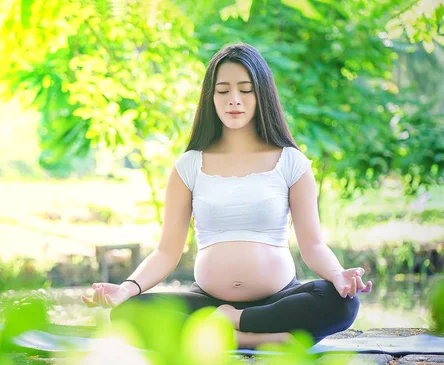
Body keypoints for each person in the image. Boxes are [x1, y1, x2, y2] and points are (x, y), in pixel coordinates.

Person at [81, 43, 372, 349]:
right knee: (128, 314)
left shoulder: (290, 161)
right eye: (223, 90)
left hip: (277, 303)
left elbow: (313, 245)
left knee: (344, 304)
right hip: (207, 303)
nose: (234, 100)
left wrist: (339, 276)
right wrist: (125, 290)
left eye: (245, 90)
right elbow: (167, 251)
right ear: (211, 96)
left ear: (262, 94)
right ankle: (257, 339)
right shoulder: (190, 164)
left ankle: (230, 325)